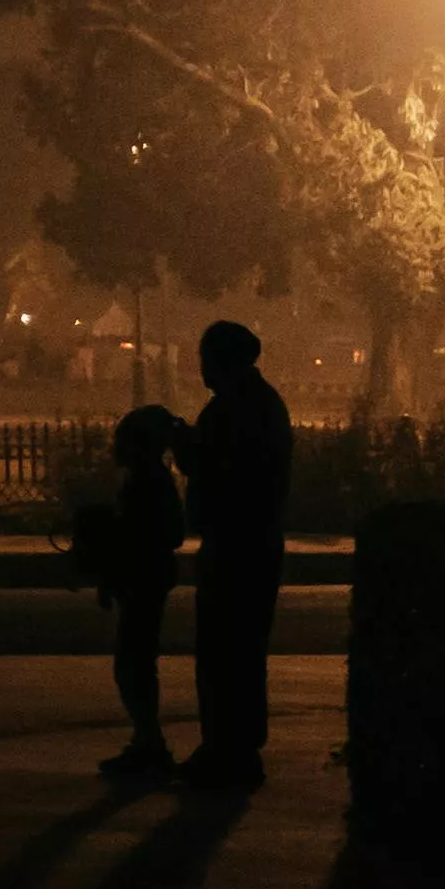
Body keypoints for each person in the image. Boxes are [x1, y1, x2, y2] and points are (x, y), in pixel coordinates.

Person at [184, 317, 290, 788]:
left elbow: (212, 465)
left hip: (234, 542)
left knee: (222, 649)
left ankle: (226, 747)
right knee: (245, 650)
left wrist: (180, 445)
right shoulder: (264, 404)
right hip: (258, 539)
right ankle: (240, 744)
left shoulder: (230, 409)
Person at [84, 400, 191, 783]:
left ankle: (150, 743)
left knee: (133, 664)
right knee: (136, 663)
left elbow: (155, 533)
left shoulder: (148, 482)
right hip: (147, 575)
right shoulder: (151, 479)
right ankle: (147, 740)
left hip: (142, 578)